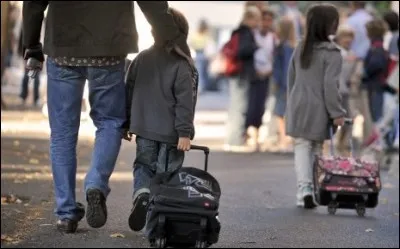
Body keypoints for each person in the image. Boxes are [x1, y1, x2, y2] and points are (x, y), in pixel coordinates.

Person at [22, 1, 188, 233]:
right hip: (109, 46)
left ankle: (66, 213)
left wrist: (31, 45)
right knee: (109, 122)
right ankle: (96, 185)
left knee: (62, 133)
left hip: (63, 45)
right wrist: (174, 39)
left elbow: (33, 4)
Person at [124, 7, 197, 232]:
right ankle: (159, 216)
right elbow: (185, 101)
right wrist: (184, 132)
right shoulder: (182, 65)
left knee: (143, 166)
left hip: (144, 129)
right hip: (171, 134)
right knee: (167, 174)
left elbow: (128, 90)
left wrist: (126, 122)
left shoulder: (142, 58)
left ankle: (142, 194)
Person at [285, 3, 346, 209]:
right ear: (329, 25)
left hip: (298, 102)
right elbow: (331, 86)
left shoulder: (301, 47)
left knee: (302, 145)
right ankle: (318, 186)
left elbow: (291, 78)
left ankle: (304, 189)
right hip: (319, 107)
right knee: (317, 146)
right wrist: (337, 112)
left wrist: (290, 104)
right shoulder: (333, 52)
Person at [224, 6, 261, 152]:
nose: (257, 23)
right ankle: (235, 139)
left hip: (236, 73)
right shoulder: (245, 32)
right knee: (240, 106)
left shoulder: (237, 31)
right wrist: (254, 47)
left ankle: (233, 138)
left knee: (236, 106)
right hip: (241, 73)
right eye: (256, 19)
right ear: (249, 18)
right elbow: (242, 51)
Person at [246, 9, 276, 150]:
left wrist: (270, 70)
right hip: (253, 74)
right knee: (251, 105)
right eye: (264, 20)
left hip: (266, 74)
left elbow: (274, 56)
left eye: (269, 20)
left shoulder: (273, 37)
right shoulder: (253, 35)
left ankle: (257, 137)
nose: (266, 23)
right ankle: (249, 135)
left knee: (261, 106)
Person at [272, 17, 296, 153]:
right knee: (285, 112)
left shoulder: (283, 47)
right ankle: (286, 140)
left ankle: (284, 140)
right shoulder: (291, 46)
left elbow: (285, 67)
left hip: (283, 84)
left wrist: (283, 83)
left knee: (281, 112)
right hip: (288, 83)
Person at [334, 26, 358, 153]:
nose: (348, 40)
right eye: (345, 37)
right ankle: (333, 143)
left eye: (350, 38)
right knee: (336, 118)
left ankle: (342, 143)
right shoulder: (336, 52)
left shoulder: (352, 54)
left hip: (346, 91)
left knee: (348, 118)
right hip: (335, 91)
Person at [362, 19, 388, 125]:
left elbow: (376, 64)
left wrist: (365, 73)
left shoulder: (376, 47)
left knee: (375, 115)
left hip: (374, 85)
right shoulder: (380, 45)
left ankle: (377, 139)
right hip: (378, 84)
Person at [189, 19, 213, 93]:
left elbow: (191, 44)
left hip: (198, 55)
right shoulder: (205, 36)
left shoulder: (196, 35)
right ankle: (201, 87)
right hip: (202, 55)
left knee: (199, 71)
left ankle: (199, 87)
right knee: (201, 72)